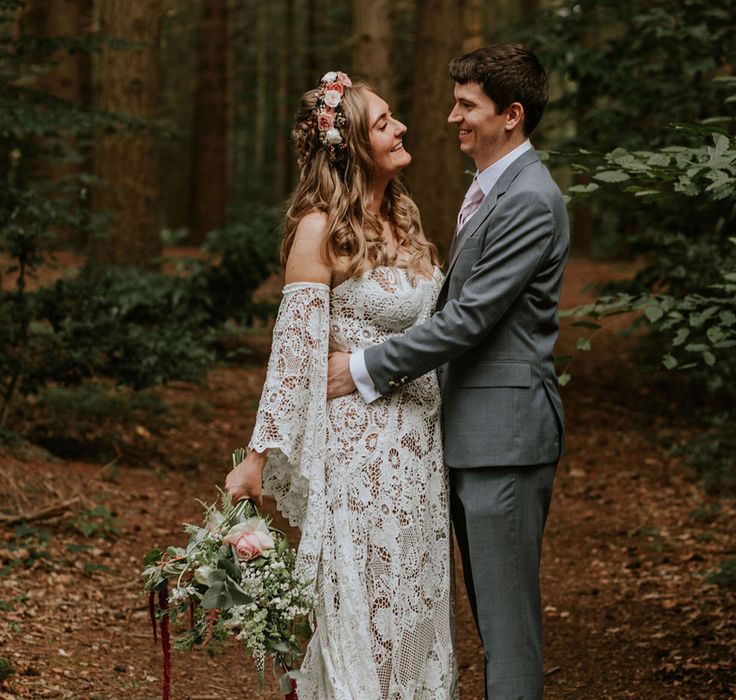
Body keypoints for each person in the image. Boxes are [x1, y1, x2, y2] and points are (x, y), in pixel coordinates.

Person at [327, 44, 570, 699]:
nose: (450, 117)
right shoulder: (490, 189)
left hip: (505, 439)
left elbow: (467, 322)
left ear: (511, 115)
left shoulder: (527, 199)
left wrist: (363, 367)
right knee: (490, 622)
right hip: (471, 437)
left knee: (506, 630)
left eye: (467, 105)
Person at [225, 71, 457, 699]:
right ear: (352, 145)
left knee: (416, 613)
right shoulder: (318, 229)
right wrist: (256, 458)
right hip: (358, 457)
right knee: (361, 614)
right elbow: (294, 359)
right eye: (384, 123)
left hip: (420, 451)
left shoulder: (405, 221)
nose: (402, 126)